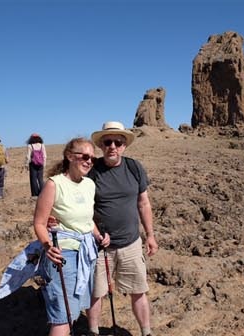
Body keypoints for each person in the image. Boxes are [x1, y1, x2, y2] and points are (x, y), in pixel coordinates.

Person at [83, 122, 157, 336]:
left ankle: (146, 332)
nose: (113, 146)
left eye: (118, 142)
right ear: (101, 145)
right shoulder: (92, 172)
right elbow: (83, 209)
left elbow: (143, 203)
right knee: (96, 293)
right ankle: (93, 331)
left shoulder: (134, 168)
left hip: (131, 243)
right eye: (108, 142)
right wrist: (96, 233)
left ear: (124, 146)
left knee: (138, 291)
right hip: (100, 246)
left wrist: (150, 235)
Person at [32, 137, 108, 336]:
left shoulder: (89, 184)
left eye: (92, 158)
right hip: (64, 255)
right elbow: (39, 223)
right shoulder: (54, 184)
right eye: (84, 156)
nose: (89, 161)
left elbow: (87, 220)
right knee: (63, 317)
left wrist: (99, 236)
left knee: (74, 311)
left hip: (86, 251)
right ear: (69, 156)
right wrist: (48, 246)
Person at [27, 133, 48, 199]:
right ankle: (43, 193)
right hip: (41, 164)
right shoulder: (42, 145)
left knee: (33, 179)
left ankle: (35, 194)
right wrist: (44, 164)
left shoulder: (30, 146)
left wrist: (26, 164)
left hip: (33, 164)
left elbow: (28, 157)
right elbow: (45, 156)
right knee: (40, 179)